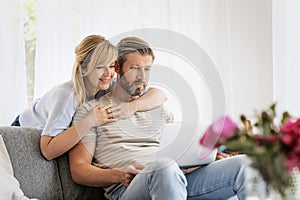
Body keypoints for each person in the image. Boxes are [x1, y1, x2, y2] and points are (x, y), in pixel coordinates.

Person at [69, 37, 246, 200]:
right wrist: (118, 174)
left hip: (175, 180)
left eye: (147, 69)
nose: (142, 77)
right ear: (117, 68)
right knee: (164, 167)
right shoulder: (91, 111)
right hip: (128, 189)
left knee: (242, 164)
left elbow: (180, 157)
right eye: (135, 68)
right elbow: (79, 170)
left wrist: (204, 160)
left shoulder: (156, 108)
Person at [11, 35, 167, 161]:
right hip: (27, 129)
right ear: (84, 67)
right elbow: (48, 150)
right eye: (100, 67)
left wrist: (132, 107)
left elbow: (160, 95)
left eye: (111, 66)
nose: (108, 73)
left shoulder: (109, 83)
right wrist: (90, 121)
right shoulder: (67, 97)